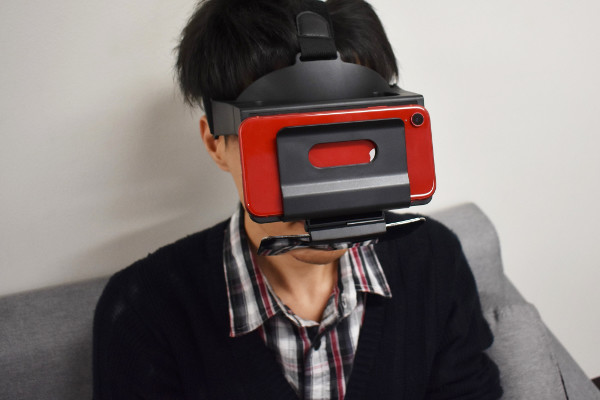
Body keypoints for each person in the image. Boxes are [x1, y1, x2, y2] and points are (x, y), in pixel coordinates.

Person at [93, 0, 502, 399]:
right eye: (284, 137)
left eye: (350, 129)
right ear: (216, 143)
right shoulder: (144, 310)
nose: (326, 187)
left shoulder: (434, 260)